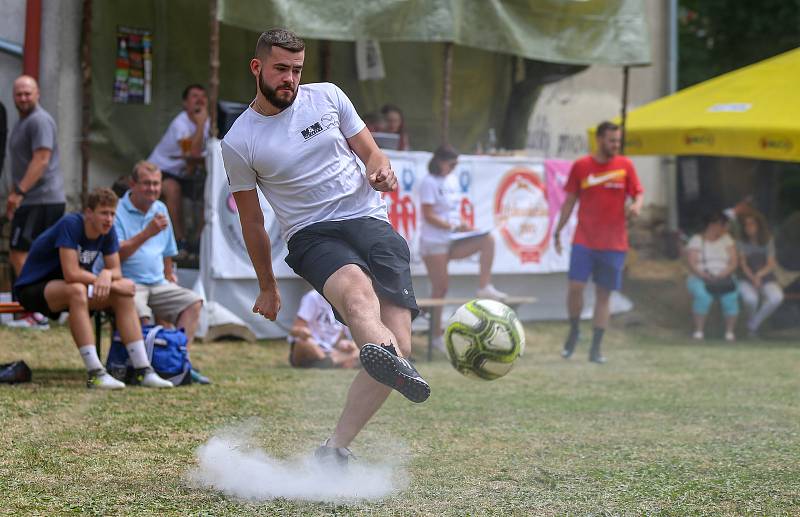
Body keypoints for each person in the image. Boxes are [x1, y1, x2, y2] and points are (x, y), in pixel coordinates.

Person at [221, 28, 430, 465]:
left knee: (401, 347)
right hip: (312, 234)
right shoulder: (239, 140)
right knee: (357, 293)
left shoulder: (330, 97)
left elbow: (373, 153)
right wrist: (267, 285)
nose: (290, 80)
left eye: (297, 70)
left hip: (369, 220)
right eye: (281, 69)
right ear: (257, 67)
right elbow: (253, 221)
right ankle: (388, 362)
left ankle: (335, 449)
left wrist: (381, 171)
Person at [12, 188, 174, 389]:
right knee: (78, 289)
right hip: (33, 290)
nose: (109, 219)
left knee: (122, 294)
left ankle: (143, 370)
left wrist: (107, 275)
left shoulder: (108, 231)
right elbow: (71, 273)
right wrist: (103, 276)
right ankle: (95, 374)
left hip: (72, 289)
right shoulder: (71, 224)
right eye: (103, 213)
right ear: (89, 213)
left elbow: (115, 271)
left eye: (112, 214)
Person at [553, 121, 644, 363]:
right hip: (584, 239)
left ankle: (596, 348)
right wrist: (558, 230)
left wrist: (636, 206)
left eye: (618, 141)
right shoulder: (582, 166)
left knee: (604, 295)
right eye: (612, 140)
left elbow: (638, 193)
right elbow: (570, 200)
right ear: (600, 140)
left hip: (614, 243)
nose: (616, 145)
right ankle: (574, 329)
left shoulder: (625, 166)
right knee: (575, 287)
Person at [113, 161, 209, 384]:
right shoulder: (117, 211)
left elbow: (167, 252)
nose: (153, 189)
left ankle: (179, 362)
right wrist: (147, 233)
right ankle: (147, 368)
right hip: (129, 283)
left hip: (158, 283)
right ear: (133, 184)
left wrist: (169, 276)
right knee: (141, 311)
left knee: (193, 302)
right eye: (147, 184)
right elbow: (115, 254)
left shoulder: (160, 208)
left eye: (156, 184)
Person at [419, 145, 507, 351]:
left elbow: (454, 213)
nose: (454, 168)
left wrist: (465, 227)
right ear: (440, 161)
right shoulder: (428, 182)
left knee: (488, 240)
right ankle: (434, 335)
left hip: (453, 237)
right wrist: (454, 226)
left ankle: (484, 286)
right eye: (452, 163)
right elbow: (429, 215)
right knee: (440, 288)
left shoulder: (452, 180)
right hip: (434, 241)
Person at [6, 76, 66, 328]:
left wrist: (19, 192)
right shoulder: (24, 121)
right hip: (37, 200)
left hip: (39, 199)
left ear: (38, 93)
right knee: (36, 255)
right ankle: (46, 308)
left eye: (27, 93)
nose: (23, 98)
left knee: (19, 254)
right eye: (19, 94)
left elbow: (41, 159)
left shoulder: (39, 120)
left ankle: (36, 312)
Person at [147, 84, 209, 254]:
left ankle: (198, 241)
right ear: (185, 103)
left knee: (210, 188)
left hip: (184, 172)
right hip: (162, 170)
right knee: (173, 189)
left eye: (203, 96)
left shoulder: (208, 121)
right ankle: (179, 241)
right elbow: (191, 153)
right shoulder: (180, 123)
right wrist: (201, 124)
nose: (200, 100)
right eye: (194, 96)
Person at [685, 210, 739, 341]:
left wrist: (724, 273)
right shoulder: (696, 240)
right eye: (723, 225)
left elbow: (733, 262)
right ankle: (699, 331)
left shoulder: (727, 239)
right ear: (713, 225)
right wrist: (703, 275)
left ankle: (729, 332)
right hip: (701, 277)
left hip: (724, 277)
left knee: (731, 297)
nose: (726, 228)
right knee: (703, 296)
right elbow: (692, 263)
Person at [736, 209, 783, 337]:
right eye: (745, 224)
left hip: (766, 277)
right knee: (751, 300)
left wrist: (758, 275)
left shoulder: (768, 240)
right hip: (745, 278)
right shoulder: (741, 241)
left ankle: (752, 325)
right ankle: (752, 331)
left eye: (751, 224)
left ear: (759, 225)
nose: (748, 227)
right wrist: (753, 278)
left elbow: (771, 263)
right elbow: (743, 264)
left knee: (776, 297)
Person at [289, 289, 359, 368]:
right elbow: (295, 330)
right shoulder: (313, 298)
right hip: (312, 347)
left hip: (331, 349)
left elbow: (349, 336)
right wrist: (302, 331)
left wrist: (348, 344)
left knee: (360, 347)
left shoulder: (343, 301)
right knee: (303, 342)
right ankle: (332, 361)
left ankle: (328, 362)